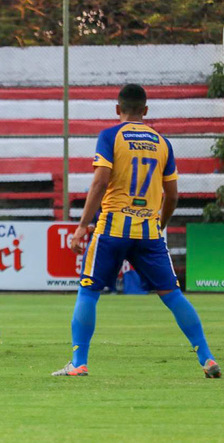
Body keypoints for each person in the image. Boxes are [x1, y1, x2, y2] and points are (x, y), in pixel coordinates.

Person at [52, 84, 220, 378]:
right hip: (149, 232)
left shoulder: (110, 137)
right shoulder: (162, 143)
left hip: (113, 228)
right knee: (172, 295)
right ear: (145, 110)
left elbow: (100, 182)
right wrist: (161, 224)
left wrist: (81, 227)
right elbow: (173, 195)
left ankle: (79, 363)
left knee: (88, 292)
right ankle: (206, 357)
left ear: (118, 109)